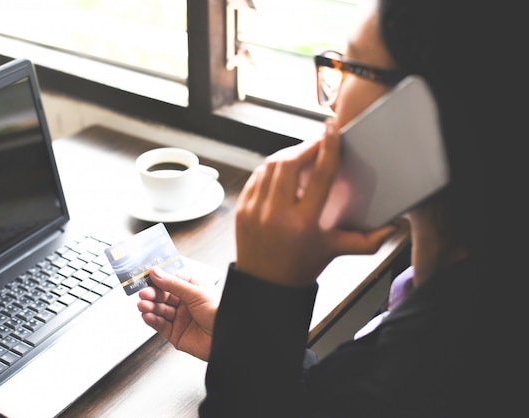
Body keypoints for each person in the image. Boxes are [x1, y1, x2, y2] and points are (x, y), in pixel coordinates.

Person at [137, 0, 514, 416]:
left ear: (419, 113)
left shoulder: (444, 356)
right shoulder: (462, 287)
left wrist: (265, 292)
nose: (332, 106)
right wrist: (250, 342)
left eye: (352, 68)